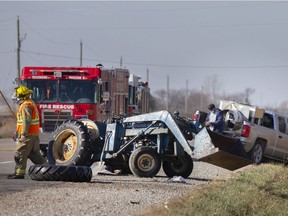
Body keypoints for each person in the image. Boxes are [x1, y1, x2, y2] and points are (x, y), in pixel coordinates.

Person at [8, 86, 47, 179]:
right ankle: (49, 169)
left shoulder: (25, 106)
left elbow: (26, 121)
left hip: (28, 135)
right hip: (33, 134)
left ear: (21, 96)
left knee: (19, 153)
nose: (15, 97)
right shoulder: (29, 103)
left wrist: (23, 134)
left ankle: (19, 174)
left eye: (16, 95)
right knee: (34, 155)